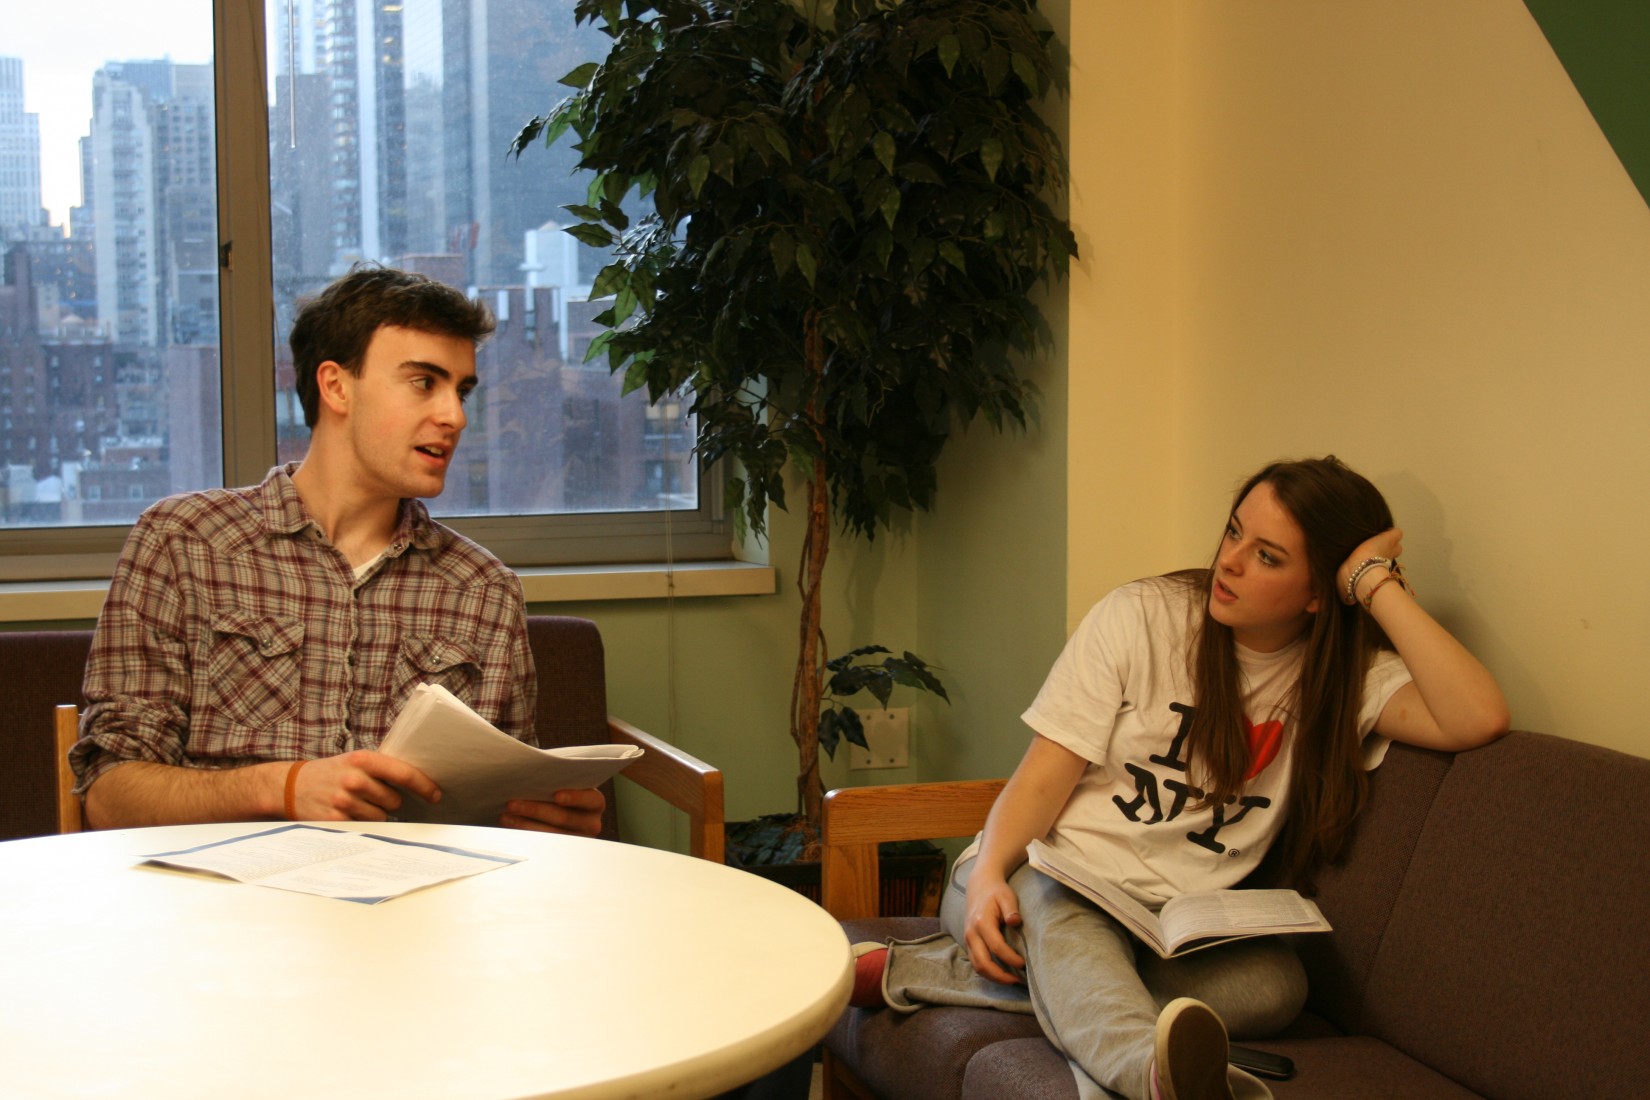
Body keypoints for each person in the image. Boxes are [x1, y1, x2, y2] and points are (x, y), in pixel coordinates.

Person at [849, 457, 1509, 1100]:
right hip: (1045, 879)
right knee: (1070, 928)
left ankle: (919, 972)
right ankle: (1155, 1076)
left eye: (1268, 556)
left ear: (1318, 593)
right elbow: (1043, 775)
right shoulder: (1142, 617)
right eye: (1234, 532)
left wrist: (1371, 580)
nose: (1230, 560)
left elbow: (1476, 716)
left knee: (1276, 987)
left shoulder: (1340, 680)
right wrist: (990, 870)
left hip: (1167, 931)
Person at [69, 265, 605, 837]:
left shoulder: (484, 590)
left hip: (415, 910)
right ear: (336, 386)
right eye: (425, 382)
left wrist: (549, 823)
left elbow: (502, 818)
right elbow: (109, 797)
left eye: (461, 390)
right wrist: (286, 787)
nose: (455, 415)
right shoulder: (184, 542)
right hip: (223, 908)